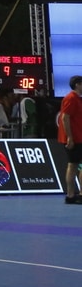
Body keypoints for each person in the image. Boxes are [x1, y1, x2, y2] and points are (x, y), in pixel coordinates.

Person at [58, 75, 82, 204]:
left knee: (77, 166)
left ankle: (78, 194)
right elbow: (64, 118)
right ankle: (71, 195)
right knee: (73, 166)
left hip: (79, 137)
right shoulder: (71, 98)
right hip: (74, 138)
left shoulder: (78, 99)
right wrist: (70, 138)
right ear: (78, 84)